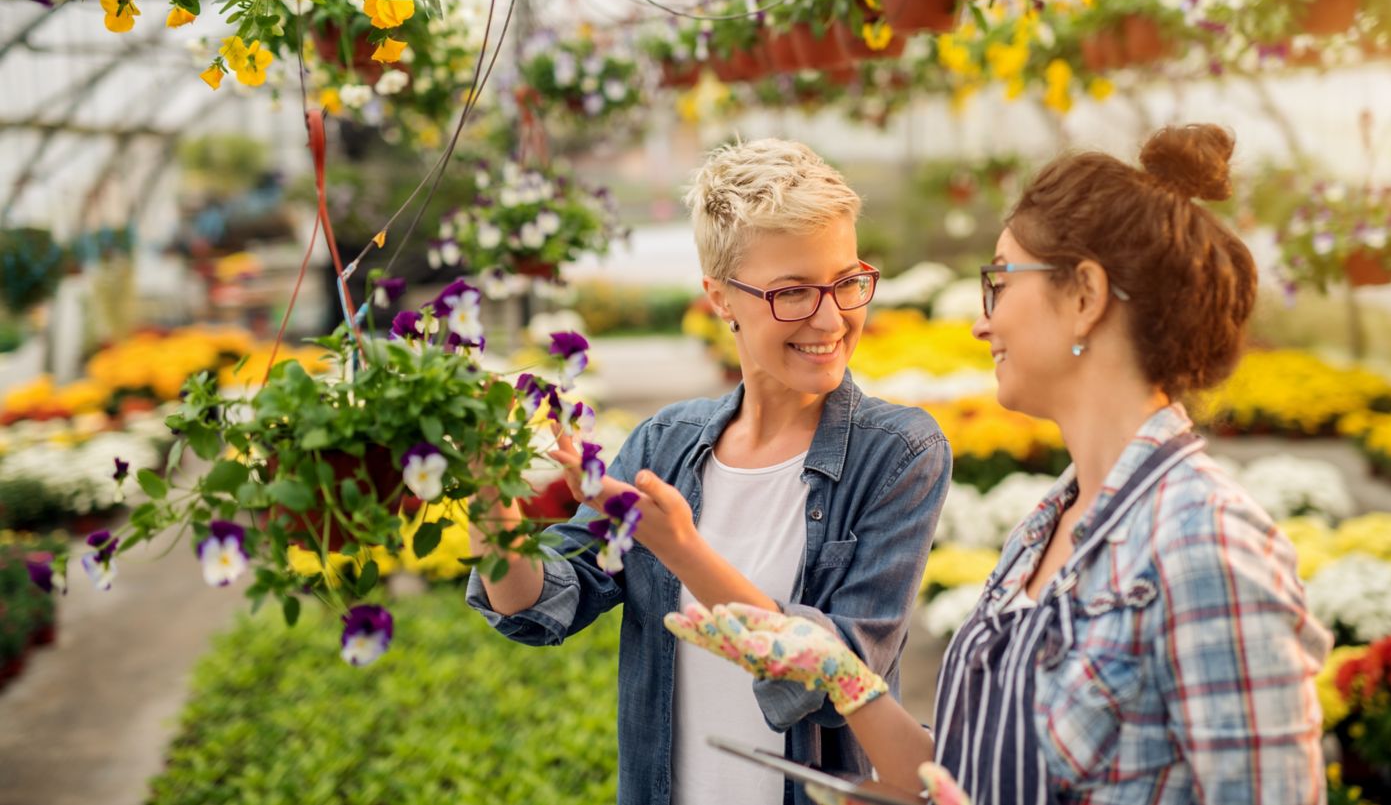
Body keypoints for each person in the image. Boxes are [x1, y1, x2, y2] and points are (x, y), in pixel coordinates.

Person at [664, 125, 1333, 805]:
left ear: (1083, 296)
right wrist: (847, 681)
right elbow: (963, 776)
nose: (981, 323)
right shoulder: (1048, 526)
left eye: (1000, 280)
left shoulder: (1204, 546)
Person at [466, 138, 952, 805]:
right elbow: (540, 603)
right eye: (792, 292)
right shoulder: (663, 444)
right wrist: (486, 494)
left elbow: (837, 678)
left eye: (845, 281)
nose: (830, 315)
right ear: (720, 297)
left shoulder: (897, 453)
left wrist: (680, 548)